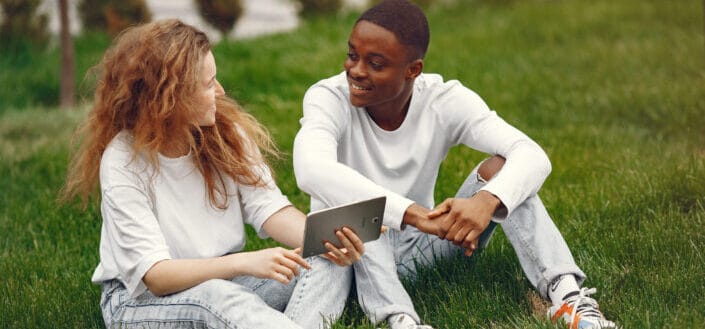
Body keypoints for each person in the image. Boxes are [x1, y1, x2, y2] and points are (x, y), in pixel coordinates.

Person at [292, 1, 618, 328]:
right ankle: (402, 322)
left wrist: (487, 200)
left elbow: (531, 153)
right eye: (352, 55)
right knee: (362, 215)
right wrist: (416, 216)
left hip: (424, 249)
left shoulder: (443, 100)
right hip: (349, 258)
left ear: (413, 70)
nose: (357, 70)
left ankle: (569, 298)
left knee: (505, 172)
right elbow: (311, 169)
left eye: (375, 63)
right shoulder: (327, 97)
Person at [60, 19, 367, 329]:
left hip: (226, 283)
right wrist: (243, 262)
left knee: (325, 261)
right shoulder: (123, 160)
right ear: (169, 98)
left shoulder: (225, 133)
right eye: (208, 84)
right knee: (218, 296)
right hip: (138, 302)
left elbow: (268, 207)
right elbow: (156, 276)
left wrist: (328, 238)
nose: (220, 92)